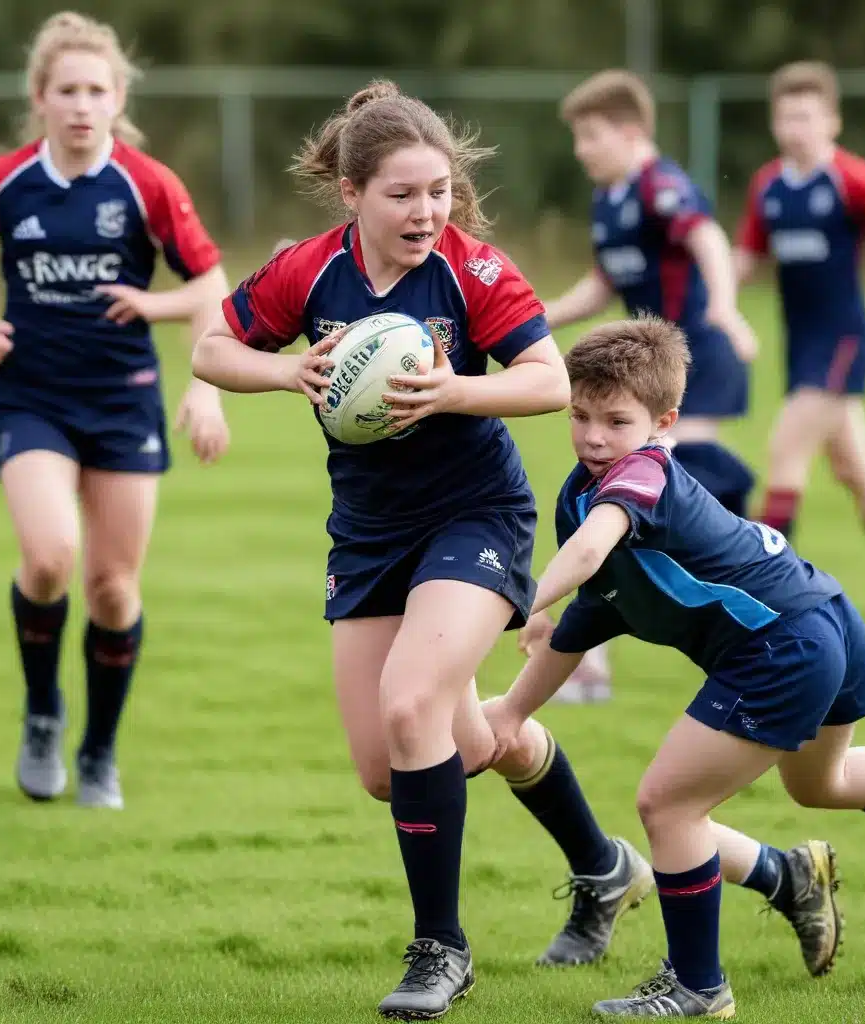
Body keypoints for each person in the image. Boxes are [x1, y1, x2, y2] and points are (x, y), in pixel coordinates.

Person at [192, 80, 658, 1020]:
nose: (426, 211)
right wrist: (286, 370)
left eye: (439, 191)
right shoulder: (307, 272)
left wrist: (450, 392)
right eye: (403, 194)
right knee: (406, 758)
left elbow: (544, 378)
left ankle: (440, 950)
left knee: (414, 710)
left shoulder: (472, 272)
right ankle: (603, 866)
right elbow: (210, 349)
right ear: (352, 194)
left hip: (475, 514)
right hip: (368, 533)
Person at [485, 315, 865, 1017]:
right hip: (821, 612)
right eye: (579, 415)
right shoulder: (584, 490)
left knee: (667, 805)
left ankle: (697, 986)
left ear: (664, 421)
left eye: (616, 420)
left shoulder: (642, 475)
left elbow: (590, 557)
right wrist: (514, 709)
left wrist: (511, 600)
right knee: (823, 782)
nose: (593, 435)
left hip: (785, 646)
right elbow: (596, 608)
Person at [0, 11, 231, 810]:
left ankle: (99, 751)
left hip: (122, 401)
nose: (80, 104)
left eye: (95, 90)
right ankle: (43, 714)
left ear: (117, 99)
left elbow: (213, 290)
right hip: (30, 396)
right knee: (49, 558)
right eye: (65, 90)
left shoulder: (147, 184)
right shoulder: (3, 183)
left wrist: (197, 379)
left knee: (112, 587)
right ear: (40, 98)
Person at [543, 69, 758, 703]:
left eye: (591, 135)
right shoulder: (608, 201)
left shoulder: (660, 185)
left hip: (688, 359)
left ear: (631, 132)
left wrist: (723, 303)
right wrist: (531, 322)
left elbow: (709, 238)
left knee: (631, 498)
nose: (582, 149)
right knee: (618, 504)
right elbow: (599, 286)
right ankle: (592, 665)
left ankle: (742, 528)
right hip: (632, 377)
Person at [735, 60, 865, 616]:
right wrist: (717, 308)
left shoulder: (854, 177)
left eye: (805, 116)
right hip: (800, 345)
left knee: (785, 451)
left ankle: (768, 593)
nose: (794, 127)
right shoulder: (769, 185)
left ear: (832, 121)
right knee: (855, 468)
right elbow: (744, 258)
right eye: (785, 117)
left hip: (845, 339)